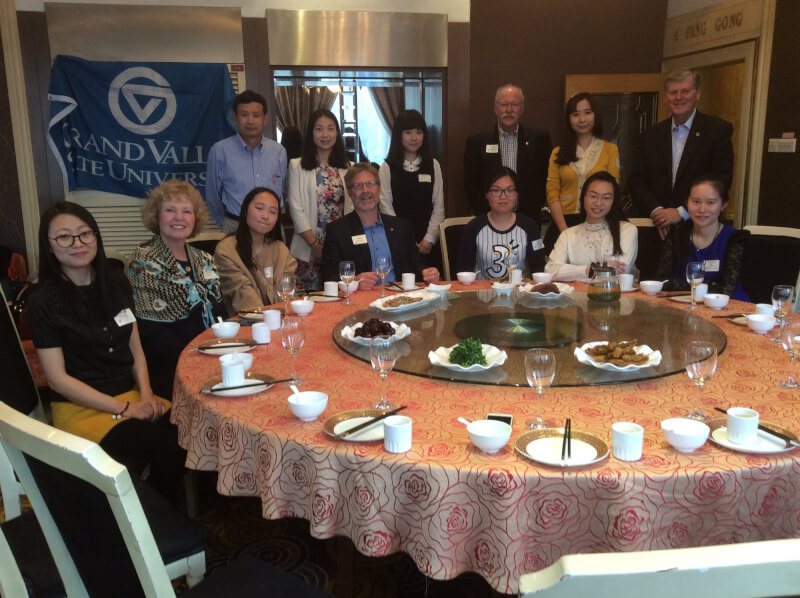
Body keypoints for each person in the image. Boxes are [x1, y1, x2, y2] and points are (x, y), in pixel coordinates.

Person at [26, 202, 186, 500]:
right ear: (49, 247)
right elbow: (58, 380)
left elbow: (135, 349)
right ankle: (153, 523)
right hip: (82, 409)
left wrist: (147, 396)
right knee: (165, 445)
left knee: (188, 429)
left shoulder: (115, 283)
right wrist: (126, 409)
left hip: (131, 395)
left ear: (96, 238)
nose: (77, 243)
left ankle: (159, 513)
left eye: (85, 234)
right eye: (64, 237)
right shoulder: (43, 302)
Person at [128, 180, 225, 399]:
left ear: (195, 218)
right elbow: (152, 333)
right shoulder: (143, 261)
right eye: (170, 210)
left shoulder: (204, 259)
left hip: (212, 355)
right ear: (157, 216)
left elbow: (220, 312)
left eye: (186, 211)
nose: (179, 218)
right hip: (170, 366)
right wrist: (201, 358)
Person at [627, 69, 734, 239]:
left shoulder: (717, 131)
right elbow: (636, 180)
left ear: (697, 93)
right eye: (673, 92)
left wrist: (681, 212)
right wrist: (658, 212)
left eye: (685, 91)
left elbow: (721, 180)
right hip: (656, 229)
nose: (679, 97)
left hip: (700, 229)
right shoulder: (650, 136)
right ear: (665, 97)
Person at [320, 163, 440, 289]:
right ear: (350, 193)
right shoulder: (338, 231)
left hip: (400, 300)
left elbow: (417, 265)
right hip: (360, 302)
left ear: (379, 188)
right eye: (358, 186)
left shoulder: (402, 227)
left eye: (370, 184)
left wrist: (427, 273)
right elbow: (329, 276)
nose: (365, 190)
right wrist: (354, 281)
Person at [463, 84, 552, 223]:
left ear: (522, 108)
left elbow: (545, 179)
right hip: (489, 219)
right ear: (495, 108)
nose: (509, 110)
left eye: (515, 104)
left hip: (528, 219)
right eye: (504, 104)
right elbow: (471, 183)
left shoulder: (539, 139)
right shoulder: (477, 142)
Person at [287, 109, 352, 291]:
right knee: (311, 299)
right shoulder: (296, 165)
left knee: (341, 295)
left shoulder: (348, 167)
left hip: (340, 244)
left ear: (337, 133)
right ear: (311, 133)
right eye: (319, 129)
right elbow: (295, 206)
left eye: (330, 129)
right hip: (308, 245)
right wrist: (314, 245)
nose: (325, 135)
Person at [545, 93, 620, 251]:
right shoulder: (557, 153)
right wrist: (565, 231)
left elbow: (613, 189)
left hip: (599, 224)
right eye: (575, 114)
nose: (582, 119)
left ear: (595, 115)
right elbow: (552, 193)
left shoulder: (610, 150)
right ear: (569, 119)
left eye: (587, 112)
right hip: (563, 223)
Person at [206, 89, 288, 233]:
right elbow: (213, 196)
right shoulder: (219, 151)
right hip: (236, 226)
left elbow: (284, 191)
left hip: (271, 228)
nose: (250, 121)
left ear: (265, 118)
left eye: (256, 115)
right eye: (244, 115)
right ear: (235, 118)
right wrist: (226, 222)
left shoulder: (278, 151)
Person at [657, 176, 750, 300]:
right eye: (696, 202)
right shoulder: (676, 235)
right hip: (684, 306)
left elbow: (726, 290)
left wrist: (684, 284)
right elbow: (663, 282)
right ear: (687, 203)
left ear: (723, 205)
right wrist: (710, 284)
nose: (702, 209)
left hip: (728, 309)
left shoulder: (734, 239)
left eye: (710, 202)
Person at [379, 109, 445, 271]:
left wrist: (429, 239)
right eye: (408, 132)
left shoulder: (433, 165)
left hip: (428, 243)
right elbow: (386, 207)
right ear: (399, 135)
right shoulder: (387, 167)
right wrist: (405, 239)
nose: (414, 138)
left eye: (419, 132)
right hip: (398, 241)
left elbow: (439, 207)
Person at [215, 187, 297, 313]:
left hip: (279, 321)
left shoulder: (280, 250)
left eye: (273, 212)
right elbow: (246, 301)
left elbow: (288, 295)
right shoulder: (227, 250)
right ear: (245, 210)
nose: (265, 216)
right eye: (259, 208)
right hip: (244, 325)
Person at [545, 171, 638, 281]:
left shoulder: (627, 230)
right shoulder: (568, 234)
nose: (598, 203)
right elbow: (550, 271)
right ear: (583, 197)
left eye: (606, 198)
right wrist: (589, 270)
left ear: (614, 201)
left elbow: (615, 277)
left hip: (615, 297)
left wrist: (571, 273)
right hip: (575, 297)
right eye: (593, 196)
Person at [457, 167, 546, 280]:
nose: (503, 196)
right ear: (487, 194)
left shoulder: (529, 226)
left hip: (519, 294)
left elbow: (539, 269)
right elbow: (464, 271)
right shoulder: (473, 228)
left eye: (509, 190)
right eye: (496, 190)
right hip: (482, 295)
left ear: (516, 194)